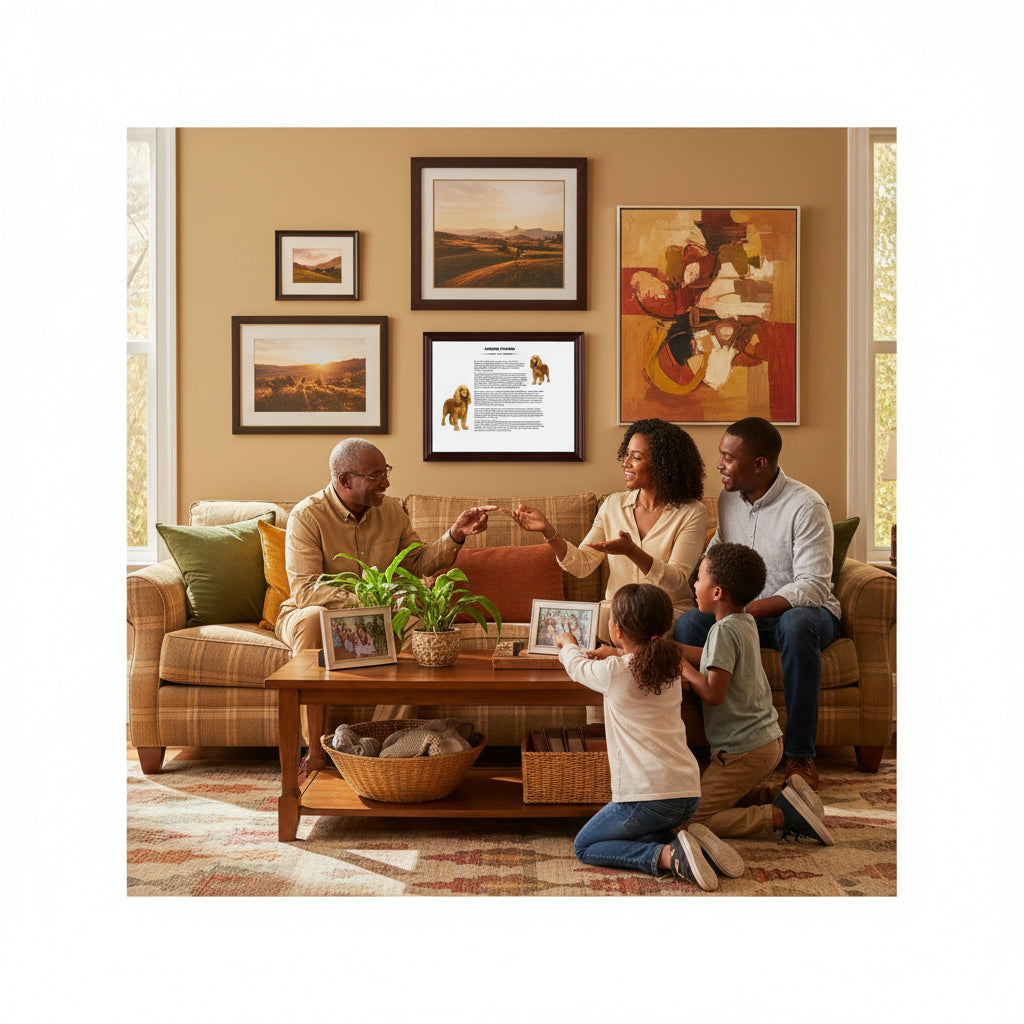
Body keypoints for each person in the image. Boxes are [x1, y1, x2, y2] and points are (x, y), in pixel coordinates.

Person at [673, 417, 842, 791]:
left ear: (759, 464)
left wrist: (742, 611)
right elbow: (720, 549)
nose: (719, 464)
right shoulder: (728, 498)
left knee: (797, 625)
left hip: (799, 614)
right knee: (687, 626)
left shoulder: (806, 505)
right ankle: (717, 749)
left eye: (728, 458)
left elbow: (813, 586)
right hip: (742, 613)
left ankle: (799, 754)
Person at [276, 439, 496, 723]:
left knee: (417, 625)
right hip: (314, 611)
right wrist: (373, 601)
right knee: (312, 618)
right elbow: (306, 591)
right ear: (345, 480)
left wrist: (455, 535)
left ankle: (382, 739)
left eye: (386, 472)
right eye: (376, 476)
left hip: (381, 612)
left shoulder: (392, 511)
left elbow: (417, 563)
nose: (386, 483)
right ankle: (313, 749)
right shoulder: (307, 516)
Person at [554, 583, 742, 890]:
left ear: (616, 630)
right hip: (688, 793)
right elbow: (637, 661)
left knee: (585, 846)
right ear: (666, 625)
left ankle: (669, 855)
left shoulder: (614, 671)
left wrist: (567, 643)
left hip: (647, 799)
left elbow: (577, 668)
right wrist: (614, 652)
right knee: (639, 830)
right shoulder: (669, 668)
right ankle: (689, 842)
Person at [678, 543, 833, 845]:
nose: (694, 585)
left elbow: (713, 694)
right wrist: (675, 650)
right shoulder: (743, 621)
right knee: (712, 795)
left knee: (690, 818)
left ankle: (781, 817)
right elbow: (714, 656)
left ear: (717, 592)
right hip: (765, 742)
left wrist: (682, 667)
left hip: (742, 752)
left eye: (699, 579)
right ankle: (782, 795)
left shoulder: (722, 631)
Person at [509, 418, 707, 639]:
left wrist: (632, 551)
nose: (626, 463)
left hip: (666, 616)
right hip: (618, 616)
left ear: (663, 464)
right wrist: (548, 531)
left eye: (637, 457)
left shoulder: (691, 512)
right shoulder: (613, 505)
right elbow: (582, 564)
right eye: (627, 454)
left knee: (634, 629)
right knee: (561, 629)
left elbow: (677, 579)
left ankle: (616, 657)